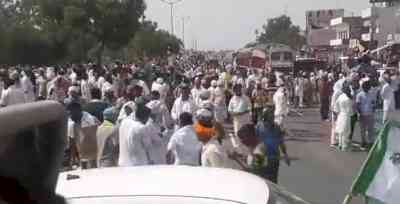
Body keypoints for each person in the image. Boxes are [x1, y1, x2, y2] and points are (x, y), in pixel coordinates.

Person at [254, 108, 290, 183]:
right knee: (261, 180)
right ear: (264, 117)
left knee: (273, 180)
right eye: (270, 116)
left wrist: (285, 154)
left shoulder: (276, 127)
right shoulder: (258, 127)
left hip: (274, 157)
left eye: (272, 116)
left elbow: (281, 142)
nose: (272, 118)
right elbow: (254, 142)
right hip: (261, 156)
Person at [66, 101, 99, 168]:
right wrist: (73, 159)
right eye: (69, 114)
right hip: (82, 156)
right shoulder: (71, 123)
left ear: (78, 110)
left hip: (94, 156)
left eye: (71, 113)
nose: (70, 116)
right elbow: (72, 142)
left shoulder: (91, 120)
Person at [356, 81, 376, 150]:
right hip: (362, 115)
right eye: (366, 87)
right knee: (363, 130)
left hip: (370, 114)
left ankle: (371, 142)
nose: (367, 89)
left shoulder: (371, 94)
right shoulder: (359, 95)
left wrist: (373, 110)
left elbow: (373, 103)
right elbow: (358, 105)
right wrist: (360, 113)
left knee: (370, 129)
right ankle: (363, 142)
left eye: (368, 87)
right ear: (363, 87)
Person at [334, 84, 354, 151]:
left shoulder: (341, 97)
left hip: (341, 114)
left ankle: (340, 144)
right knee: (346, 131)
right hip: (346, 115)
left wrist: (337, 112)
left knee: (341, 130)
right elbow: (350, 109)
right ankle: (344, 145)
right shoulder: (349, 98)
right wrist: (351, 114)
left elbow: (336, 106)